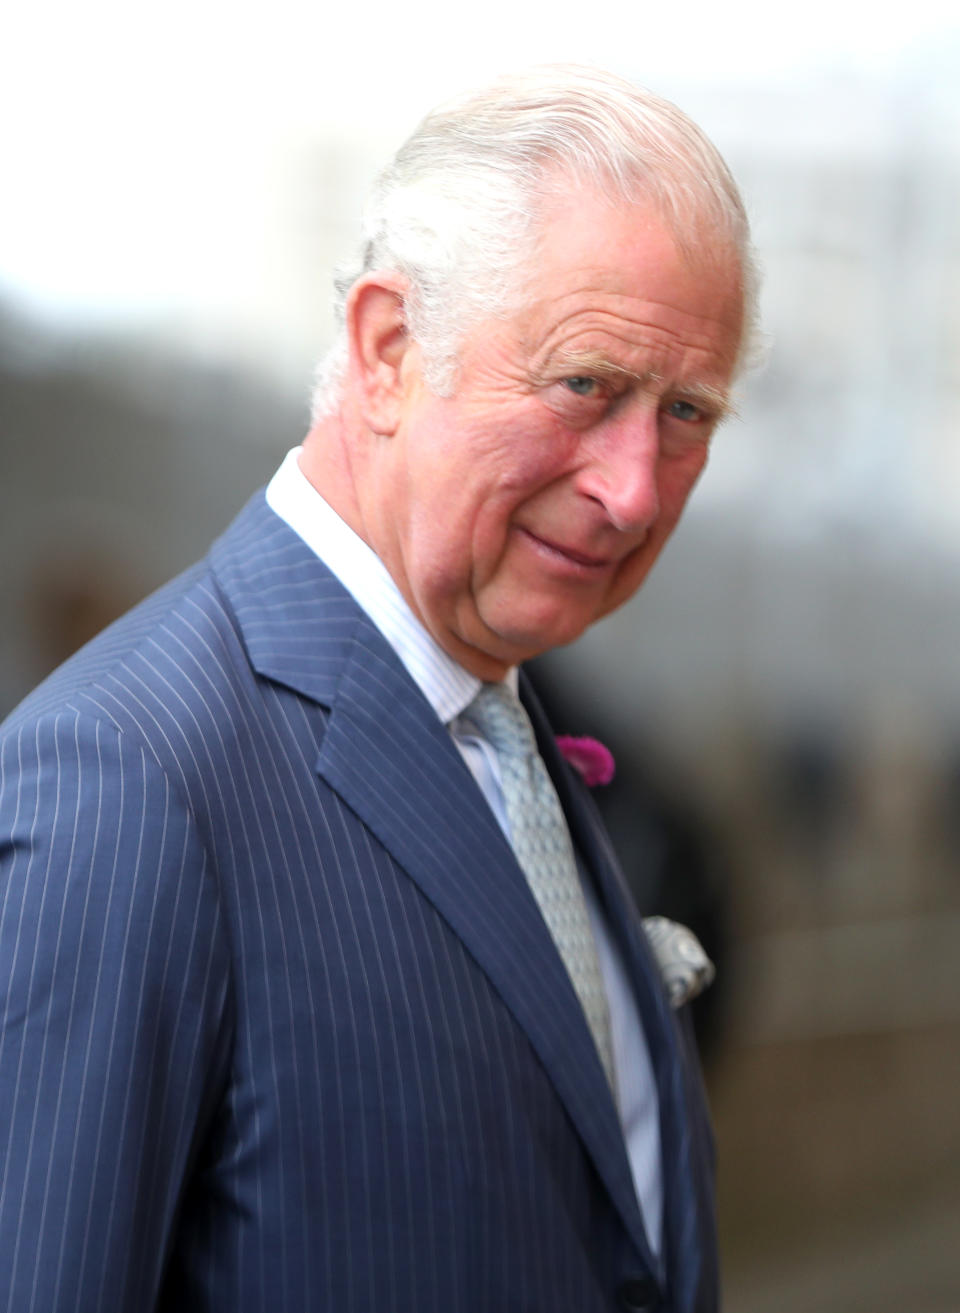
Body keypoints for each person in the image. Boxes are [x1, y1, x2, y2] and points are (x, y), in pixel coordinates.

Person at [0, 65, 752, 1312]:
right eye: (586, 386)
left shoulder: (503, 733)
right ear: (391, 350)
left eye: (684, 410)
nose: (635, 485)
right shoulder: (126, 782)